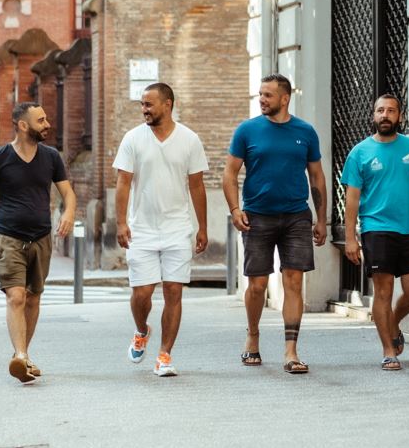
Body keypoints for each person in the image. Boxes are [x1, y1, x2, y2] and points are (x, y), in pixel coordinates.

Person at [221, 74, 327, 374]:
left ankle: (291, 350)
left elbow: (317, 177)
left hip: (296, 215)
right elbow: (229, 174)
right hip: (257, 216)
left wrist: (322, 219)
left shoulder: (305, 132)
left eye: (268, 95)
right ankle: (252, 336)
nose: (262, 99)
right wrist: (234, 209)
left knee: (293, 281)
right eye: (260, 94)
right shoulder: (247, 130)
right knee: (257, 285)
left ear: (285, 98)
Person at [0, 102, 75, 383]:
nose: (47, 124)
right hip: (9, 236)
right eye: (41, 120)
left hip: (41, 237)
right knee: (16, 296)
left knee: (33, 298)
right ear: (22, 125)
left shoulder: (51, 157)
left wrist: (68, 212)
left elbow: (68, 194)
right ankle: (19, 355)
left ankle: (24, 356)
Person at [113, 82, 210, 378]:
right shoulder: (132, 139)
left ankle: (164, 355)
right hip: (141, 229)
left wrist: (202, 227)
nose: (144, 109)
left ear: (167, 104)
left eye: (149, 104)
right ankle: (142, 330)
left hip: (177, 229)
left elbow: (196, 185)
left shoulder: (189, 140)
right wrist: (121, 222)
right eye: (142, 104)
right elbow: (123, 182)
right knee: (142, 293)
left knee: (173, 291)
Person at [341, 94, 409, 370]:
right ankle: (388, 350)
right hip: (376, 229)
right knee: (383, 291)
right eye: (380, 110)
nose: (385, 115)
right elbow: (351, 198)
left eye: (391, 111)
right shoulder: (359, 153)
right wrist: (351, 237)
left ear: (400, 116)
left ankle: (393, 321)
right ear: (373, 116)